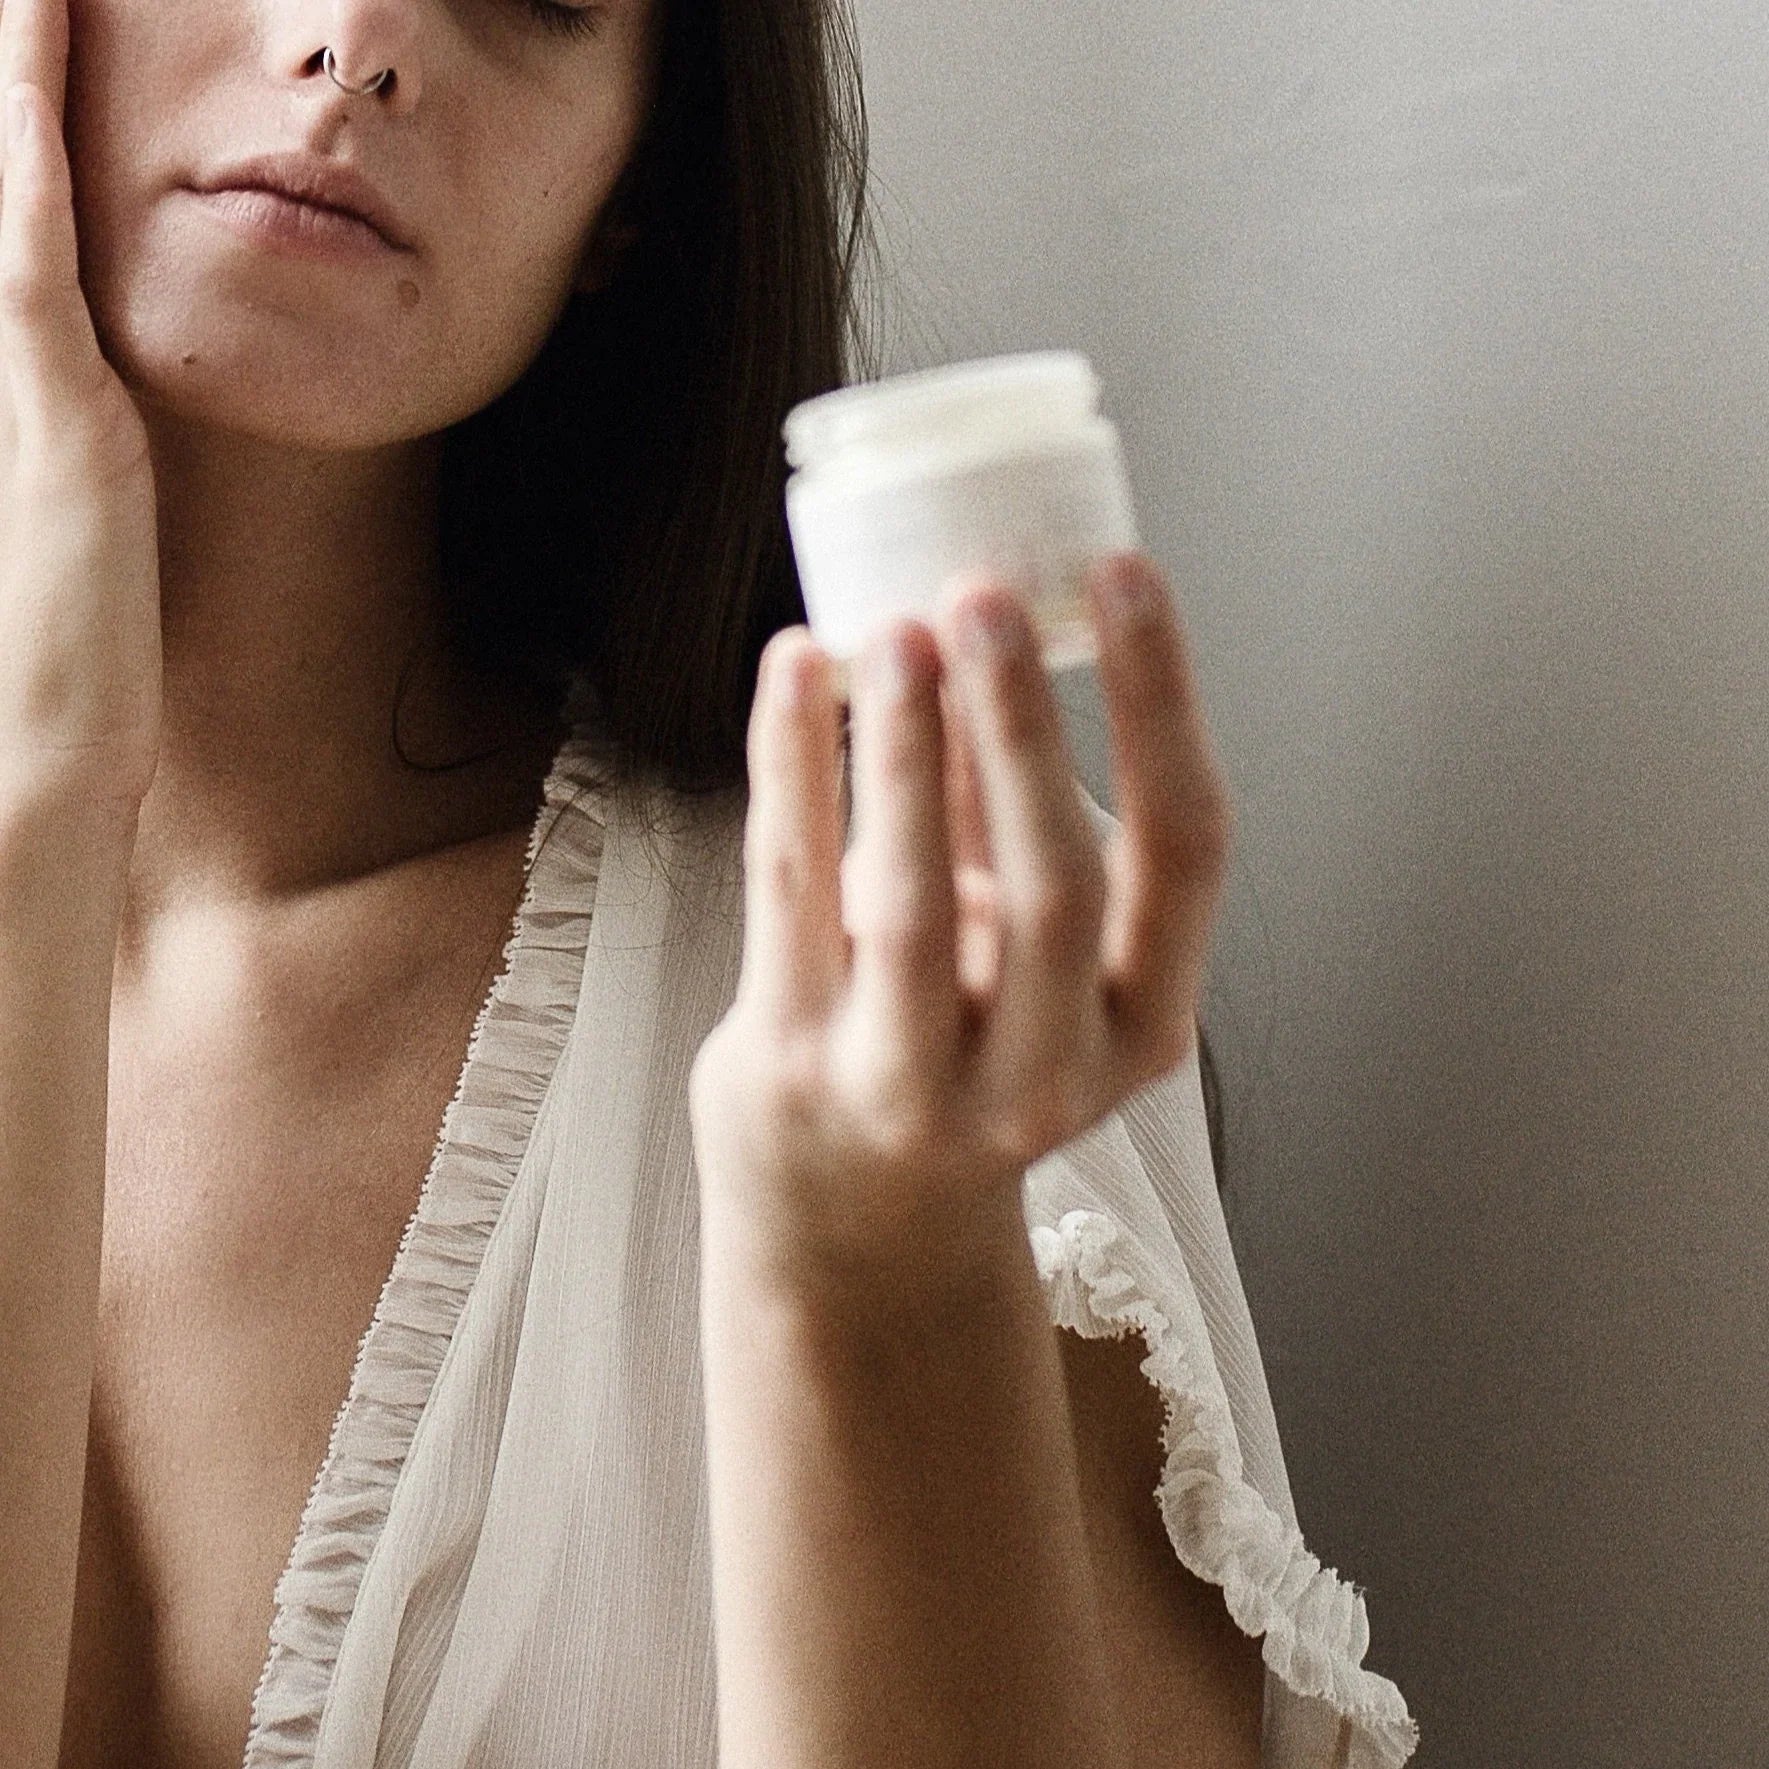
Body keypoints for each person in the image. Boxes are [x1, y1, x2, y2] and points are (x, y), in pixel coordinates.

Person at [0, 0, 1419, 1760]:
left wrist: (866, 1278)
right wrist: (37, 810)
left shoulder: (863, 962)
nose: (354, 38)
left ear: (633, 190)